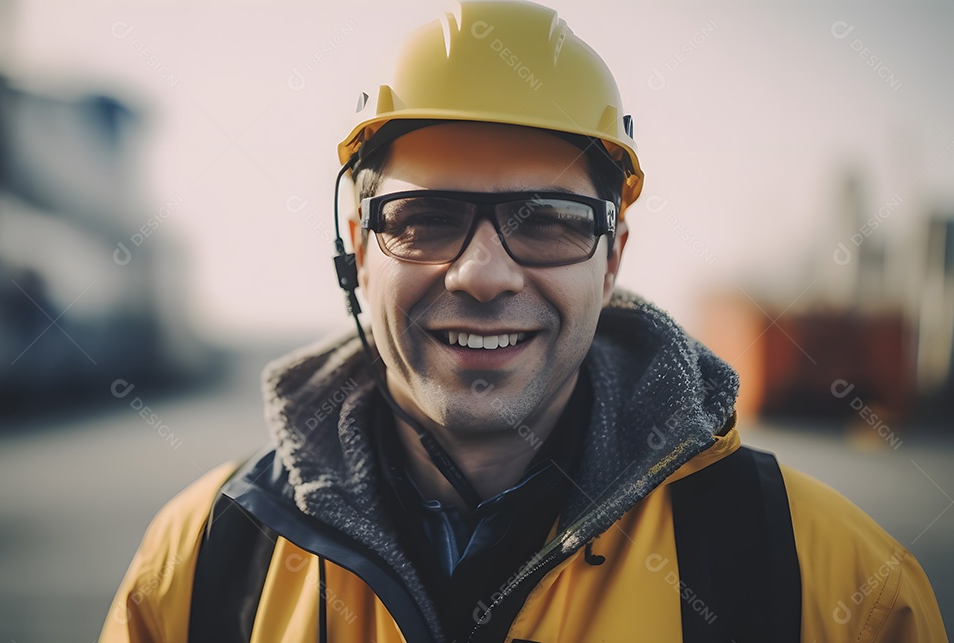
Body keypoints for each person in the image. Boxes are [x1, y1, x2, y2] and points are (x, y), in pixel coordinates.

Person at [99, 2, 948, 641]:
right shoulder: (202, 560)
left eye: (546, 218)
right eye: (425, 217)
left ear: (611, 257)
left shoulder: (833, 583)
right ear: (358, 248)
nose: (481, 273)